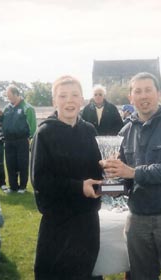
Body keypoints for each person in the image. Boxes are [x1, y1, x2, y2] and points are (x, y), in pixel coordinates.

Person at [101, 72, 161, 279]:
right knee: (140, 275)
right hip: (138, 217)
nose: (143, 96)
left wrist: (132, 172)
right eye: (138, 91)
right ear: (130, 98)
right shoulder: (124, 132)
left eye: (148, 90)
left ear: (159, 94)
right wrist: (108, 183)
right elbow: (125, 181)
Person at [30, 75, 102, 279]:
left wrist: (108, 170)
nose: (69, 100)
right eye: (63, 96)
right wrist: (79, 187)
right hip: (58, 221)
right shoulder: (44, 133)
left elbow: (97, 170)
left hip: (87, 220)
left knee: (85, 272)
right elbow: (40, 180)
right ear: (54, 101)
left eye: (74, 95)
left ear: (82, 100)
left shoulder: (89, 131)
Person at [0, 85, 37, 194]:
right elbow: (3, 121)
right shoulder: (7, 108)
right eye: (7, 96)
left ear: (16, 94)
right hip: (8, 140)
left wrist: (30, 138)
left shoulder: (27, 107)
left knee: (22, 163)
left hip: (22, 140)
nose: (8, 98)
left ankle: (22, 187)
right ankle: (13, 186)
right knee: (10, 163)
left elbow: (33, 125)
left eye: (10, 96)